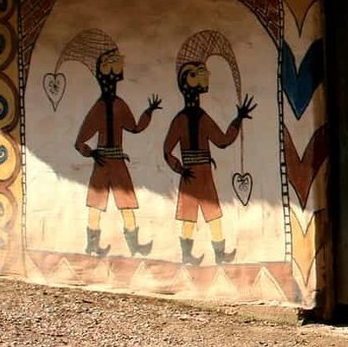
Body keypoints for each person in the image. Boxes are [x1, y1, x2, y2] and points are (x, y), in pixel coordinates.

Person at [71, 44, 160, 257]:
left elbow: (134, 127)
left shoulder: (118, 105)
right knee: (97, 204)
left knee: (126, 202)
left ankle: (133, 245)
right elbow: (80, 142)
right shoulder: (100, 108)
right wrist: (92, 153)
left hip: (116, 160)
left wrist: (148, 112)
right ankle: (92, 245)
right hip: (104, 161)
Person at [163, 59, 254, 266]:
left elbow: (221, 141)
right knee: (190, 215)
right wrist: (179, 168)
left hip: (203, 172)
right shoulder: (181, 120)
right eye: (197, 75)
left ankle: (219, 254)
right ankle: (188, 255)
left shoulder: (200, 117)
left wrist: (238, 119)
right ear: (188, 83)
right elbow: (167, 150)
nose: (205, 78)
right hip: (193, 173)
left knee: (212, 213)